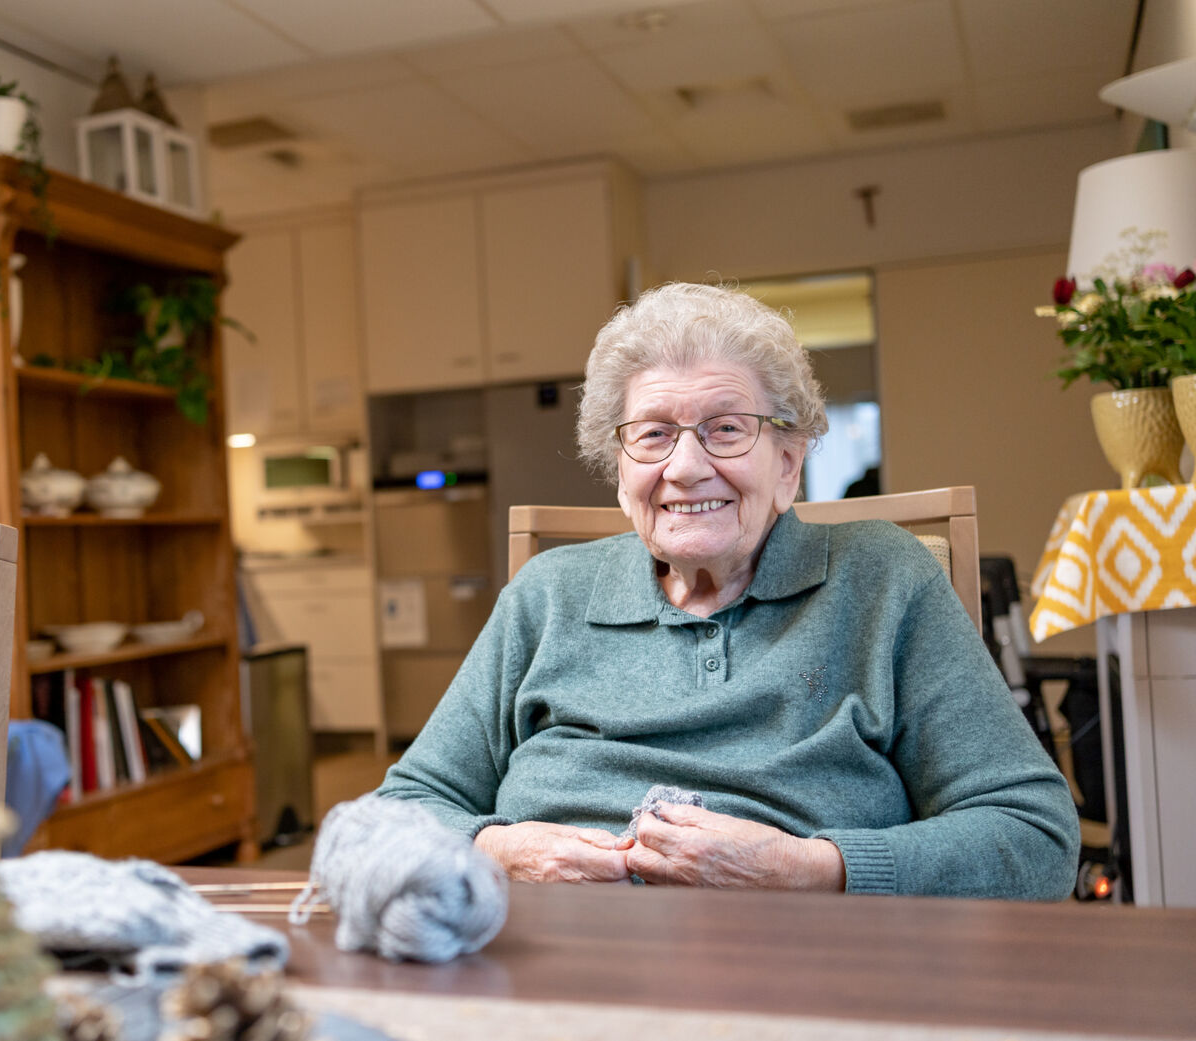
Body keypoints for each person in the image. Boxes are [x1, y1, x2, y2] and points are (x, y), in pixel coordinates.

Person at [376, 283, 1079, 900]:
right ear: (621, 472)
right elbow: (397, 810)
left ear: (788, 462)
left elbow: (1035, 837)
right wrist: (496, 848)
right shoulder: (548, 596)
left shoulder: (884, 581)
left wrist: (813, 868)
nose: (685, 467)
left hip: (794, 978)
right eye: (653, 434)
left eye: (726, 429)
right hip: (544, 971)